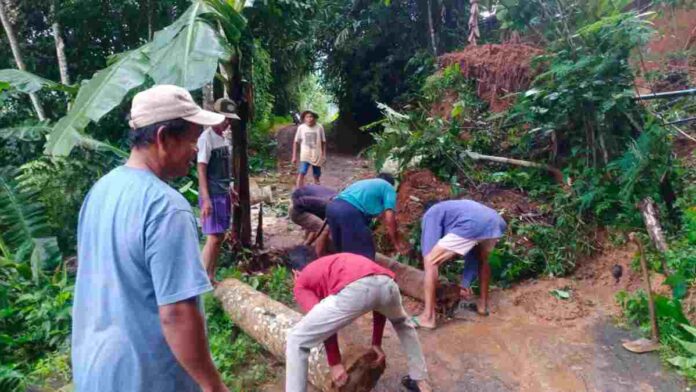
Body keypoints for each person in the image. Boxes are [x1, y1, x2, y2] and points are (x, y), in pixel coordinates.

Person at [72, 85, 229, 392]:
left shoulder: (100, 191)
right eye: (193, 139)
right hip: (147, 378)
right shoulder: (166, 207)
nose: (197, 149)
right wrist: (213, 386)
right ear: (163, 138)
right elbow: (177, 314)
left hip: (95, 371)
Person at [285, 249, 432, 392]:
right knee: (403, 325)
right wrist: (376, 343)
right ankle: (422, 382)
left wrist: (335, 363)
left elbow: (323, 326)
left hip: (357, 290)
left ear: (295, 273)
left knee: (296, 340)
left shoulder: (301, 281)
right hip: (387, 283)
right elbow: (377, 298)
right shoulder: (332, 262)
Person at [410, 199, 507, 330]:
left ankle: (428, 317)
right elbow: (473, 253)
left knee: (430, 261)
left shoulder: (431, 213)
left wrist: (432, 264)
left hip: (474, 223)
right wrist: (465, 283)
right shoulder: (456, 209)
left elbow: (429, 254)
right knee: (483, 260)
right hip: (495, 221)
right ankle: (483, 306)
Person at [197, 98, 240, 283]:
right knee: (213, 237)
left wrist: (230, 188)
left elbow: (223, 169)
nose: (227, 123)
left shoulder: (222, 138)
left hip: (223, 193)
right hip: (212, 194)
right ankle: (200, 279)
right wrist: (205, 199)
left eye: (230, 120)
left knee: (220, 236)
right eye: (225, 119)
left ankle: (211, 276)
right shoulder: (206, 138)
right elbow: (201, 169)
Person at [324, 173, 409, 260]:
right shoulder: (388, 187)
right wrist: (396, 242)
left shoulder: (363, 184)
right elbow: (389, 217)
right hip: (349, 212)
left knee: (343, 251)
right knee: (365, 253)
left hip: (332, 207)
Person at [290, 184, 337, 256]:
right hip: (297, 209)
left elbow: (316, 225)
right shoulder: (327, 204)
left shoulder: (335, 202)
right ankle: (320, 256)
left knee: (318, 226)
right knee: (325, 229)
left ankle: (306, 245)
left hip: (307, 204)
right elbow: (298, 203)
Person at [291, 110, 326, 188]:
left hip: (317, 155)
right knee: (302, 172)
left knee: (316, 175)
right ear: (304, 118)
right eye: (307, 117)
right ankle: (299, 191)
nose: (309, 119)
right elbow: (295, 142)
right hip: (305, 155)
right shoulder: (301, 127)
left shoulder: (319, 127)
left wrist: (324, 155)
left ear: (314, 118)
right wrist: (294, 156)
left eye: (311, 116)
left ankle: (317, 191)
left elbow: (323, 142)